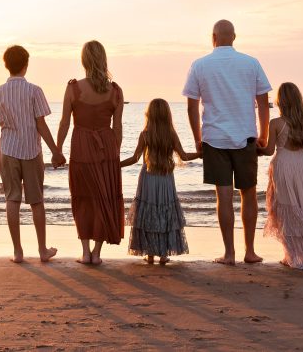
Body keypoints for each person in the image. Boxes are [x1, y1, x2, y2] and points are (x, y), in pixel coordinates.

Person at [183, 20, 272, 265]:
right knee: (249, 194)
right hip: (245, 136)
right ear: (234, 37)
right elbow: (263, 102)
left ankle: (229, 253)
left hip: (214, 137)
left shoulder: (200, 65)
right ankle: (250, 251)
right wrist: (264, 134)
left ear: (213, 37)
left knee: (223, 197)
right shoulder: (251, 63)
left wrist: (197, 139)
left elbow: (191, 106)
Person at [0, 45, 64, 264]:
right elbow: (40, 124)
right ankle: (42, 250)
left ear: (6, 65)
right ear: (26, 65)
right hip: (32, 150)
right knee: (36, 201)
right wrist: (56, 151)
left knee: (12, 200)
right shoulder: (34, 90)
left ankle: (18, 252)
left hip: (9, 150)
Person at [56, 41, 125, 265]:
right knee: (104, 199)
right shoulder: (115, 91)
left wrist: (58, 149)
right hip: (107, 148)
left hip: (81, 147)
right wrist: (115, 152)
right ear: (104, 59)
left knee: (83, 198)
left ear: (84, 61)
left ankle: (85, 252)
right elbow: (118, 127)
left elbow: (65, 123)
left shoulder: (74, 88)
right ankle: (96, 253)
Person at [120, 99, 197, 265]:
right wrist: (202, 154)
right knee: (165, 212)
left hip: (147, 178)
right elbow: (184, 156)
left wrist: (116, 164)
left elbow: (134, 158)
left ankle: (149, 254)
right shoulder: (171, 134)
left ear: (150, 114)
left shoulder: (145, 134)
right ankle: (163, 254)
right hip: (166, 178)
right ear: (167, 114)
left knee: (148, 213)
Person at [258, 82, 303, 269]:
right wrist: (298, 154)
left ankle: (293, 256)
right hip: (302, 165)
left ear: (280, 101)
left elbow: (269, 150)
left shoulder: (276, 123)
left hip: (284, 165)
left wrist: (255, 147)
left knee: (286, 207)